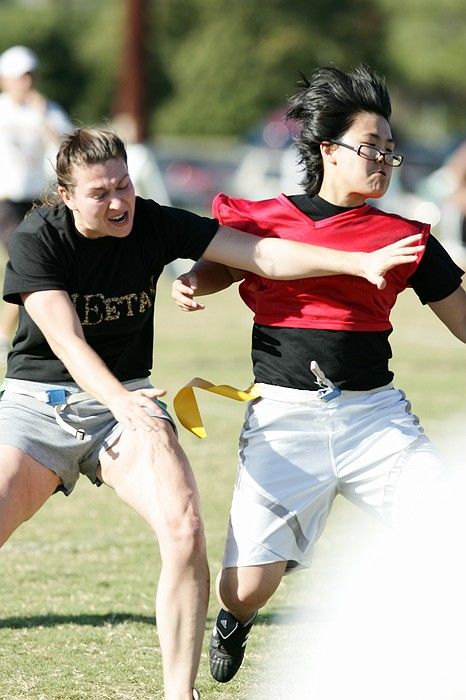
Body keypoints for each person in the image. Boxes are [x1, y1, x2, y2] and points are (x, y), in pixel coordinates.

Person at [0, 127, 421, 700]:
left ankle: (181, 693)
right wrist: (122, 404)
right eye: (100, 193)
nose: (119, 201)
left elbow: (261, 253)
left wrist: (355, 262)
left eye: (123, 184)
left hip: (128, 400)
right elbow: (67, 340)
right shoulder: (37, 236)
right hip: (39, 402)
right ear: (67, 195)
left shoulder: (151, 220)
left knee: (185, 530)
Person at [171, 64, 466, 685]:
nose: (384, 161)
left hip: (374, 418)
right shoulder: (267, 216)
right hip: (285, 418)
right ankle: (235, 621)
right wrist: (199, 277)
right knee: (244, 588)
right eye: (370, 148)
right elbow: (235, 259)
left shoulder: (406, 235)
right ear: (329, 150)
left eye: (391, 151)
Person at [0, 44, 72, 361]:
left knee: (35, 264)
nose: (25, 82)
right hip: (4, 201)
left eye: (29, 75)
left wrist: (44, 117)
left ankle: (8, 336)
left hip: (37, 201)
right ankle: (7, 336)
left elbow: (68, 152)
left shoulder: (49, 110)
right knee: (28, 262)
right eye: (19, 76)